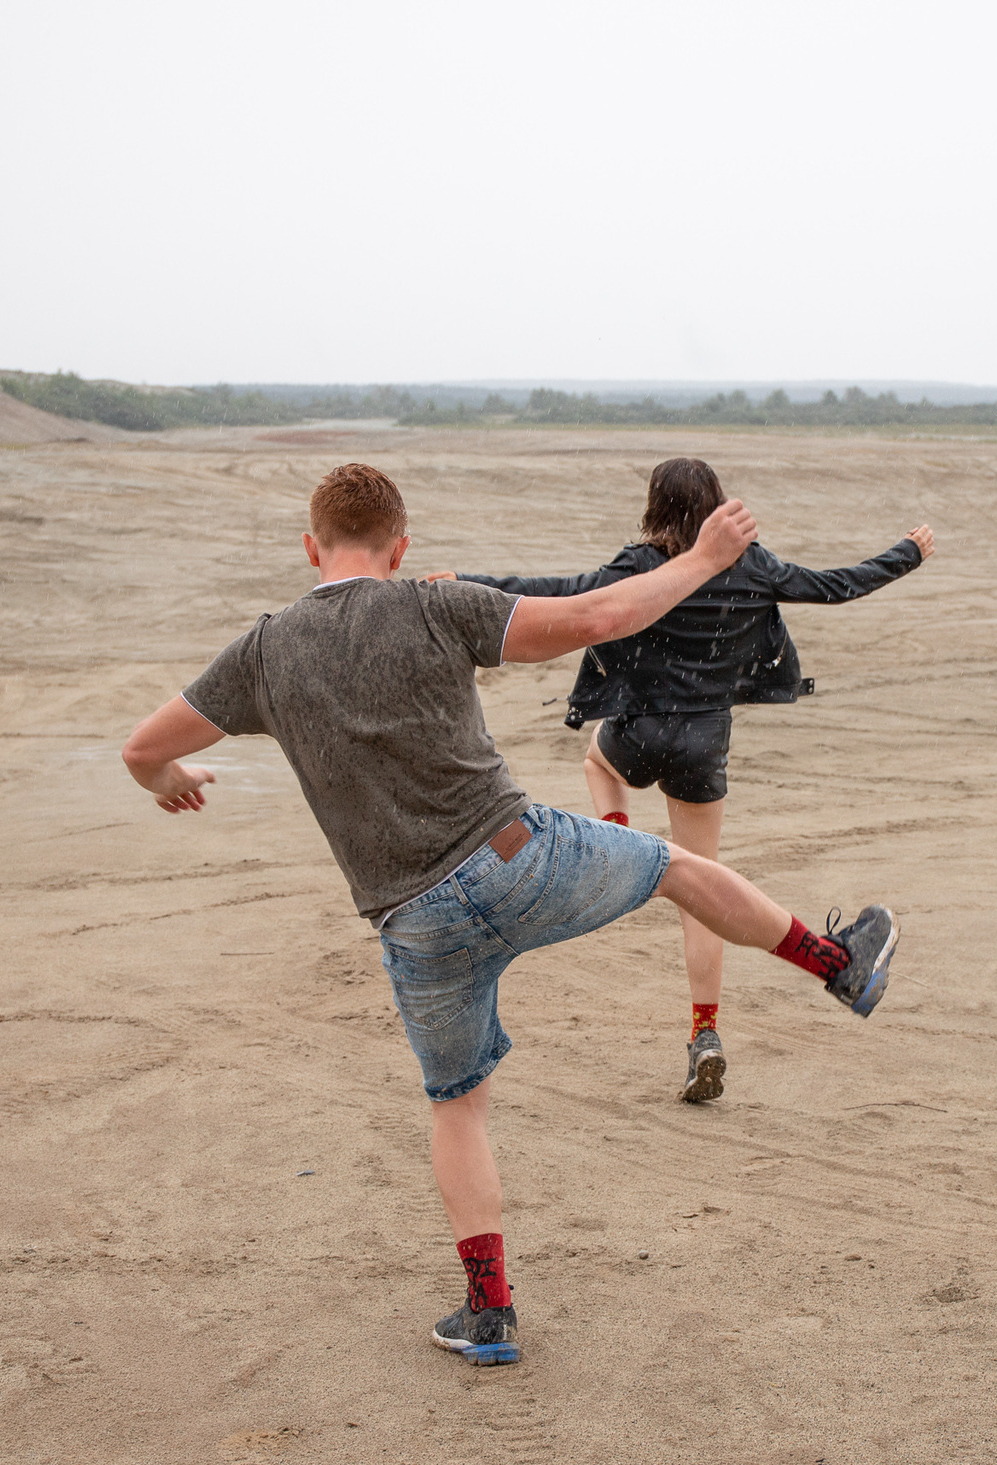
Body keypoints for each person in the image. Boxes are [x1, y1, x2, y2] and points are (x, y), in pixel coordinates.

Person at [118, 464, 900, 1367]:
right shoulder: (432, 605)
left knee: (458, 1109)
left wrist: (171, 779)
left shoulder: (263, 652)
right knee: (682, 870)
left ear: (310, 548)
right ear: (400, 548)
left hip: (414, 922)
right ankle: (837, 964)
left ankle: (489, 1314)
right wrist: (706, 559)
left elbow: (141, 750)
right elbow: (599, 616)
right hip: (519, 861)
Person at [461, 457, 932, 1104]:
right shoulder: (753, 565)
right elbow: (837, 585)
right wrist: (908, 553)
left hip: (638, 735)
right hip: (702, 745)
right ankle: (704, 1032)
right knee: (702, 896)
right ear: (716, 504)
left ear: (655, 506)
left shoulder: (639, 567)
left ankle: (618, 838)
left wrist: (464, 583)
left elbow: (555, 590)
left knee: (597, 760)